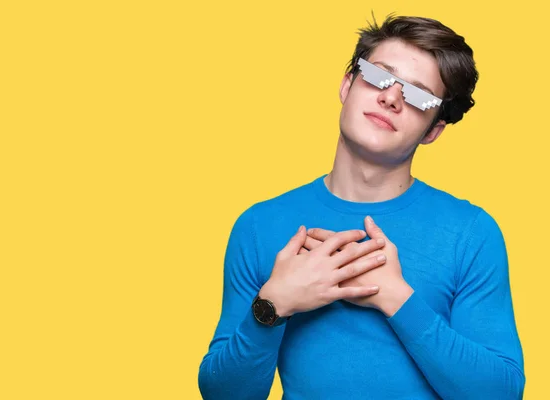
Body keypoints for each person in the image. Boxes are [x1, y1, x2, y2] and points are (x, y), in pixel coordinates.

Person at [198, 14, 525, 400]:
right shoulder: (258, 225)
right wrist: (273, 304)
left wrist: (395, 297)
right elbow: (222, 394)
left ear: (433, 130)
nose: (391, 97)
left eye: (418, 96)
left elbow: (501, 393)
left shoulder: (471, 232)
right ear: (347, 84)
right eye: (379, 76)